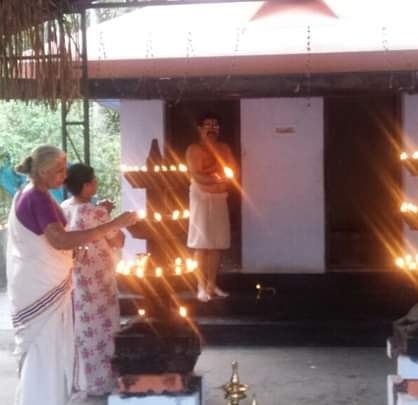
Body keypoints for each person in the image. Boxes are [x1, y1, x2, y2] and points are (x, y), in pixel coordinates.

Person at [6, 145, 137, 405]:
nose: (64, 176)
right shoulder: (37, 198)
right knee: (46, 348)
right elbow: (59, 240)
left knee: (55, 348)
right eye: (59, 170)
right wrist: (114, 223)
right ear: (43, 171)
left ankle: (49, 397)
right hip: (42, 286)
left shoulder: (35, 194)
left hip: (50, 280)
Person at [61, 163, 123, 397]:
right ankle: (102, 383)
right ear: (86, 185)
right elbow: (118, 240)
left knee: (82, 329)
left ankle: (81, 380)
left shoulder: (64, 208)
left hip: (75, 276)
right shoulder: (96, 212)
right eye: (94, 179)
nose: (96, 183)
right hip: (99, 279)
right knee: (103, 329)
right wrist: (108, 216)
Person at [186, 112, 238, 302]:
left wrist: (221, 180)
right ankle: (200, 285)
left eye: (215, 125)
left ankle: (211, 284)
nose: (212, 128)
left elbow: (233, 172)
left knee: (217, 244)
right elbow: (197, 176)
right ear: (200, 128)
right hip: (200, 198)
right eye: (208, 125)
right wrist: (216, 179)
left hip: (219, 198)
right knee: (201, 244)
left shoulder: (224, 148)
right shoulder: (194, 149)